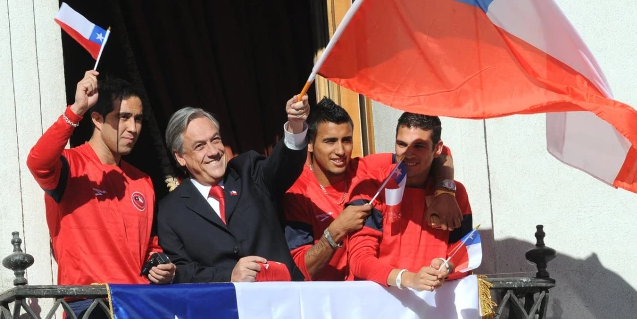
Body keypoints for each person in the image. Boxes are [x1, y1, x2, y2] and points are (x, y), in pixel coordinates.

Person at [27, 70, 174, 319]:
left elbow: (146, 246)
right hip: (93, 315)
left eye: (138, 119)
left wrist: (157, 262)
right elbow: (38, 162)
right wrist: (75, 108)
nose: (132, 127)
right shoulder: (71, 166)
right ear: (97, 118)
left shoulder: (142, 182)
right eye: (122, 118)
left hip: (140, 314)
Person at [283, 98, 462, 281]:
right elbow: (300, 270)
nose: (340, 150)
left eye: (346, 140)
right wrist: (337, 229)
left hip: (366, 292)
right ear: (310, 144)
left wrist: (445, 191)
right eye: (330, 141)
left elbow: (437, 154)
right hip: (324, 299)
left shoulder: (364, 168)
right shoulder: (297, 192)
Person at [157, 94, 310, 282]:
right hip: (227, 307)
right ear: (180, 157)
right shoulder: (170, 211)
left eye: (215, 139)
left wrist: (295, 126)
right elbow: (180, 272)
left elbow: (284, 166)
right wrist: (229, 276)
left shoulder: (249, 170)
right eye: (200, 146)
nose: (213, 151)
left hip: (285, 297)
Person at [347, 113, 473, 292]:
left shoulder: (455, 194)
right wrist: (407, 278)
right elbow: (360, 260)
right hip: (378, 302)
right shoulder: (371, 186)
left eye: (419, 146)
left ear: (437, 149)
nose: (408, 153)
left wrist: (447, 267)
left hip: (435, 306)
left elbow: (465, 255)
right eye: (402, 144)